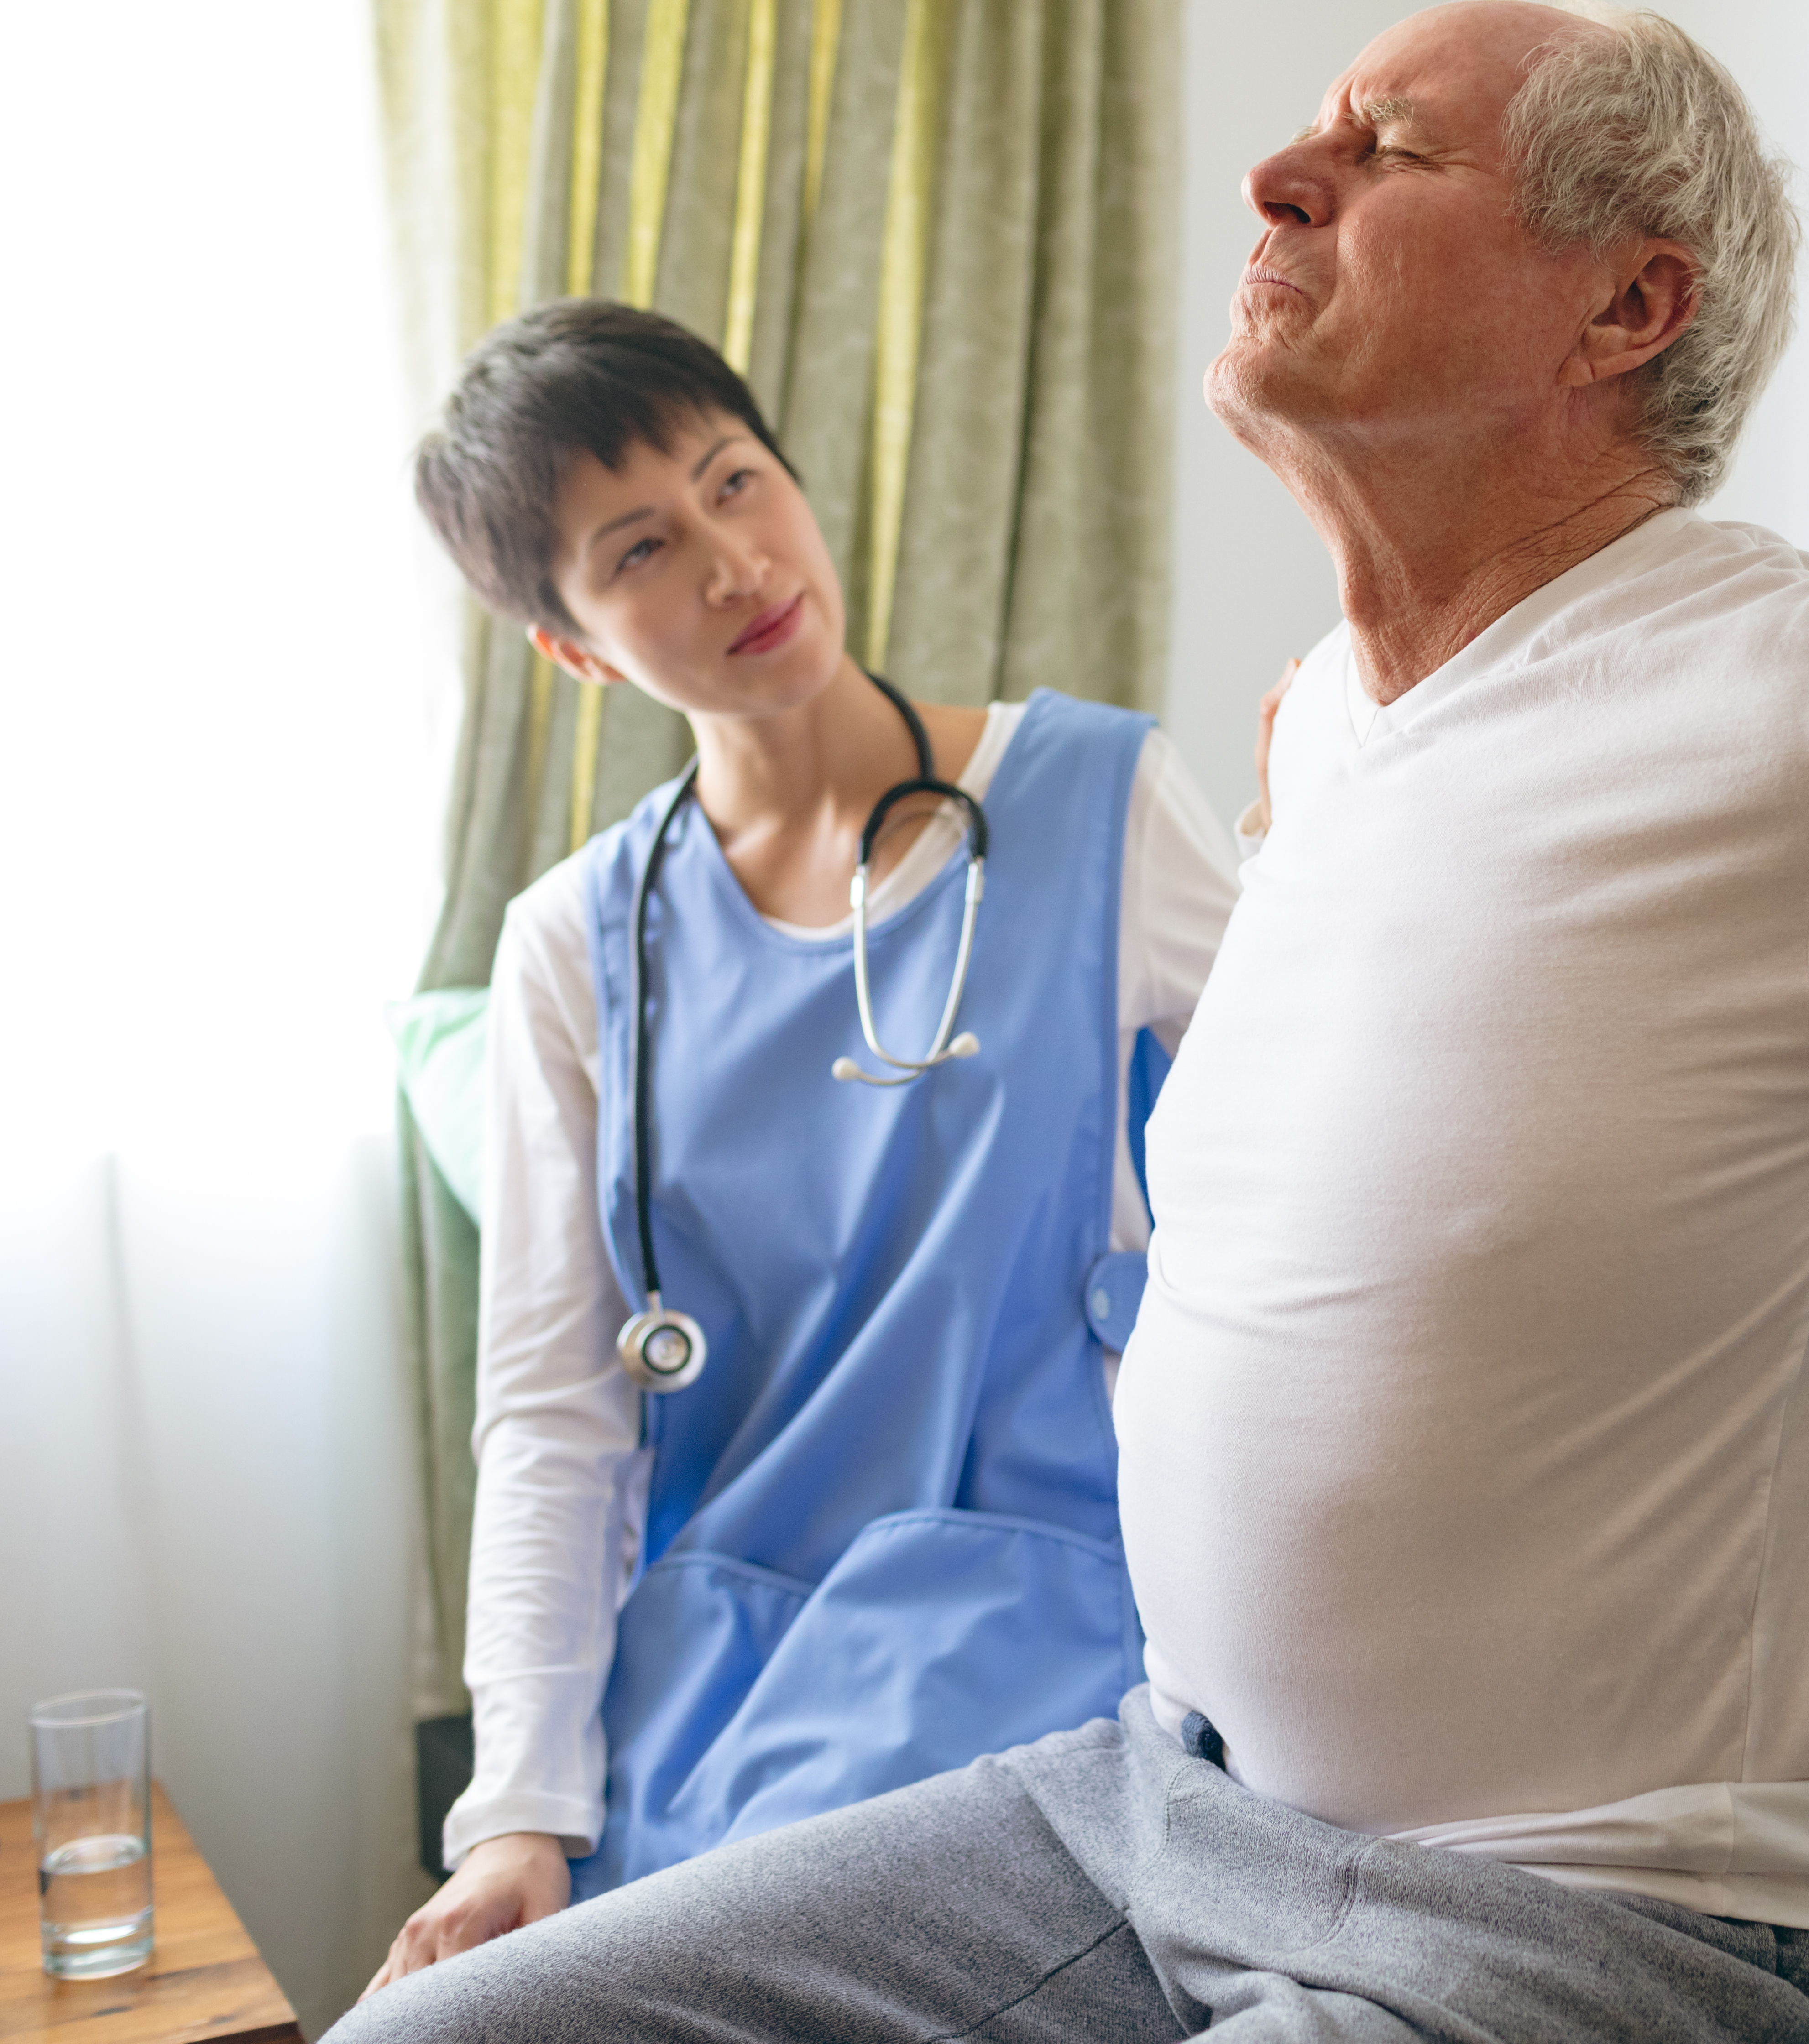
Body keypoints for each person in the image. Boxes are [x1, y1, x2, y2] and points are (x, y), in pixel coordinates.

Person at [332, 6, 1809, 2039]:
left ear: (1626, 304)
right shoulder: (1320, 725)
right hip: (1168, 1804)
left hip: (1633, 1914)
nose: (1274, 173)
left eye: (1388, 146)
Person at [361, 301, 1239, 1991]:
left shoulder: (1099, 800)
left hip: (1041, 1641)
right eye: (642, 546)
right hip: (708, 1684)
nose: (732, 559)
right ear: (574, 646)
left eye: (737, 481)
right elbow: (555, 1414)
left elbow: (1337, 1158)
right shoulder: (575, 949)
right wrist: (515, 1814)